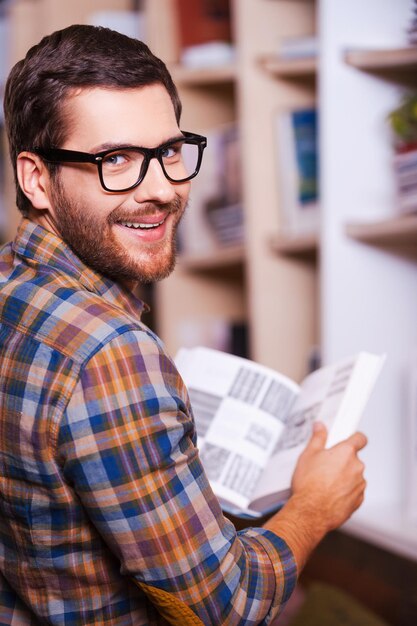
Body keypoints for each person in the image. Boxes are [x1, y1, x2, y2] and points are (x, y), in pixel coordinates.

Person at [0, 24, 367, 626]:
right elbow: (227, 609)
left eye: (169, 152)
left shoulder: (14, 287)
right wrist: (315, 504)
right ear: (37, 178)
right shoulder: (109, 354)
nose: (161, 190)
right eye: (115, 160)